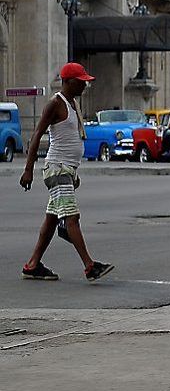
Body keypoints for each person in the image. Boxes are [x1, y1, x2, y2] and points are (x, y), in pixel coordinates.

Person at [20, 62, 114, 282]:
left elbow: (71, 140)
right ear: (68, 82)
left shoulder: (72, 104)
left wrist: (73, 173)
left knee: (52, 219)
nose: (84, 87)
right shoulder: (55, 103)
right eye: (81, 83)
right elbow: (37, 135)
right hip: (56, 168)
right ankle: (90, 267)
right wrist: (28, 170)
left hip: (65, 170)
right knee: (72, 217)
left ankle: (32, 265)